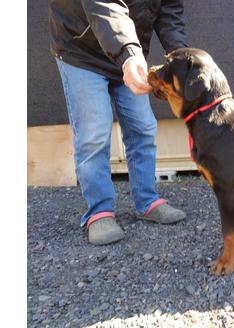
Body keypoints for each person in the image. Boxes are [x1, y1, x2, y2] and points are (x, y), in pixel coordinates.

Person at [48, 0, 188, 245]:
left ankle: (147, 200)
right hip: (82, 51)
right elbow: (104, 4)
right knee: (94, 134)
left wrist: (181, 58)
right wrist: (130, 54)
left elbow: (169, 12)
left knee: (143, 128)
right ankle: (99, 211)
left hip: (127, 49)